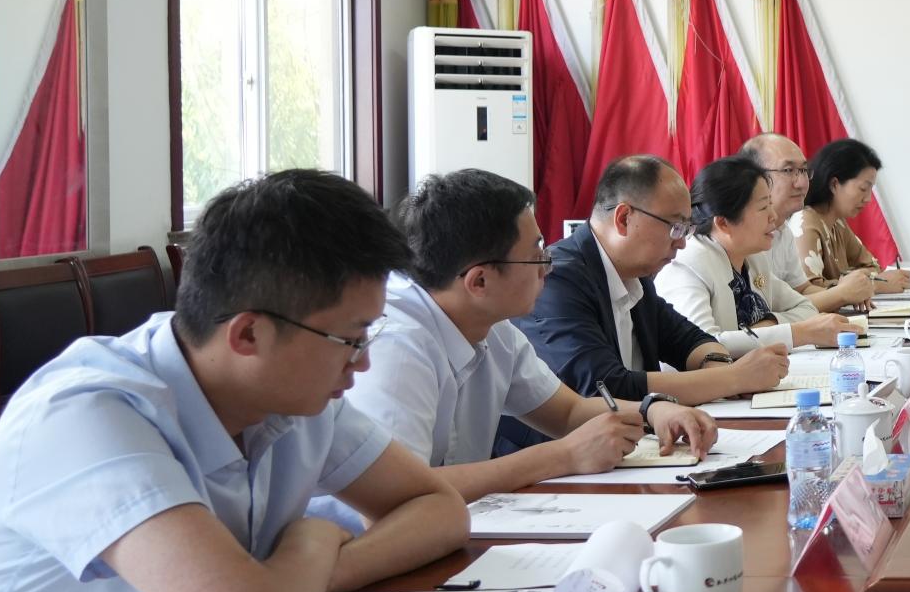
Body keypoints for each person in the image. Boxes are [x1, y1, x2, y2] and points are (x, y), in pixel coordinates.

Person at [0, 171, 468, 592]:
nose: (364, 363)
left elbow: (439, 509)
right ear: (248, 335)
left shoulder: (291, 395)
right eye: (351, 340)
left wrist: (300, 581)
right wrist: (314, 536)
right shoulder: (87, 413)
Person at [348, 169, 722, 501]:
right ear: (479, 281)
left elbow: (568, 411)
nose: (548, 267)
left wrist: (652, 409)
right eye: (536, 255)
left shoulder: (495, 329)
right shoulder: (394, 349)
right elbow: (403, 494)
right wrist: (564, 455)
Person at [511, 156, 788, 432]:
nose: (682, 243)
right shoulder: (558, 279)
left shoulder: (635, 274)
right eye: (675, 227)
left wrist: (719, 366)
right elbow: (605, 388)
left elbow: (689, 339)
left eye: (687, 228)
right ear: (624, 218)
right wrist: (733, 378)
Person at [658, 156, 863, 351]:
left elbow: (806, 308)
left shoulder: (753, 258)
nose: (773, 216)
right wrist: (798, 333)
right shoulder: (688, 264)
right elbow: (703, 346)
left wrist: (768, 323)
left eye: (771, 205)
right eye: (764, 207)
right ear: (723, 223)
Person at [741, 132, 875, 311]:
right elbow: (768, 311)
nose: (802, 183)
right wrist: (841, 294)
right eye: (788, 171)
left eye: (804, 171)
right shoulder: (743, 237)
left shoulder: (783, 231)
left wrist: (847, 293)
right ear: (753, 178)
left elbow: (801, 290)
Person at [797, 138, 910, 294]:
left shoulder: (838, 223)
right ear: (834, 184)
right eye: (863, 189)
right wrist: (875, 285)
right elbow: (808, 292)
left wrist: (857, 280)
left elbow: (872, 266)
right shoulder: (805, 224)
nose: (868, 199)